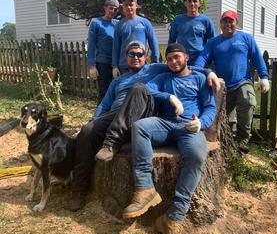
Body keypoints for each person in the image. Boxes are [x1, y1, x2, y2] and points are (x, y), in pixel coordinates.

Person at [69, 41, 219, 211]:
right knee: (87, 131)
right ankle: (78, 189)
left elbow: (182, 65)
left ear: (145, 56)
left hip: (142, 111)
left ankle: (112, 143)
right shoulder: (118, 80)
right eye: (131, 54)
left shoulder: (155, 69)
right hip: (117, 115)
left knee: (139, 88)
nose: (136, 57)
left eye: (139, 54)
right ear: (126, 57)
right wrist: (94, 120)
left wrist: (209, 72)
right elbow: (104, 104)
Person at [124, 42, 217, 234]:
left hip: (189, 127)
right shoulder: (164, 77)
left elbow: (211, 107)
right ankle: (145, 188)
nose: (173, 62)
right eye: (169, 59)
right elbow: (147, 88)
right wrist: (169, 97)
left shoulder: (200, 79)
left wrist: (201, 123)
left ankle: (173, 218)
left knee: (197, 156)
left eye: (177, 57)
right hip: (165, 124)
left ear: (186, 58)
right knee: (139, 127)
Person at [195, 10, 269, 152]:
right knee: (224, 116)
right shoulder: (213, 43)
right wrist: (196, 71)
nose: (228, 24)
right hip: (223, 85)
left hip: (242, 81)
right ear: (221, 24)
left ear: (237, 23)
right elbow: (203, 58)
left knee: (248, 101)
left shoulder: (246, 38)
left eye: (231, 21)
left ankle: (242, 140)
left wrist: (264, 77)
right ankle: (229, 141)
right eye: (225, 21)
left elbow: (257, 58)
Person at [112, 0, 159, 76]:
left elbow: (153, 43)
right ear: (123, 7)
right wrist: (114, 66)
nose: (128, 7)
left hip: (140, 65)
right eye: (126, 5)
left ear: (136, 6)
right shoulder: (119, 25)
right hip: (124, 67)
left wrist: (155, 62)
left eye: (131, 5)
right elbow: (116, 47)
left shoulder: (145, 23)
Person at [168, 0, 216, 66]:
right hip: (181, 58)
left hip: (199, 58)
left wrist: (211, 57)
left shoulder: (206, 20)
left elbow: (212, 41)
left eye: (195, 1)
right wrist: (170, 55)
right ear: (185, 3)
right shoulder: (178, 19)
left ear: (199, 4)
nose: (192, 4)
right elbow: (171, 40)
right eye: (189, 1)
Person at [87, 0, 119, 104]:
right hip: (103, 64)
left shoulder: (117, 24)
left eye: (115, 9)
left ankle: (112, 113)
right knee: (104, 93)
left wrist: (115, 66)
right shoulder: (96, 23)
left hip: (116, 64)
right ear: (105, 8)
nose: (113, 11)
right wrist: (91, 65)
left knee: (116, 92)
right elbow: (91, 45)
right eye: (111, 8)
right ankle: (100, 114)